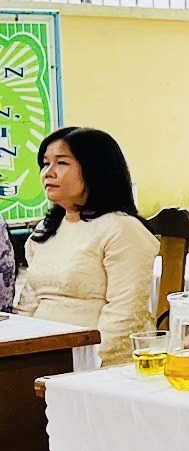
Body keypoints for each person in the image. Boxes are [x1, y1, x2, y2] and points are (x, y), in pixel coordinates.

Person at [17, 127, 155, 366]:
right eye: (45, 164)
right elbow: (28, 304)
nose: (48, 173)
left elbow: (126, 313)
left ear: (95, 170)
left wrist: (93, 366)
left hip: (94, 361)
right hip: (43, 355)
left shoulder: (122, 229)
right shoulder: (46, 229)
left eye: (61, 163)